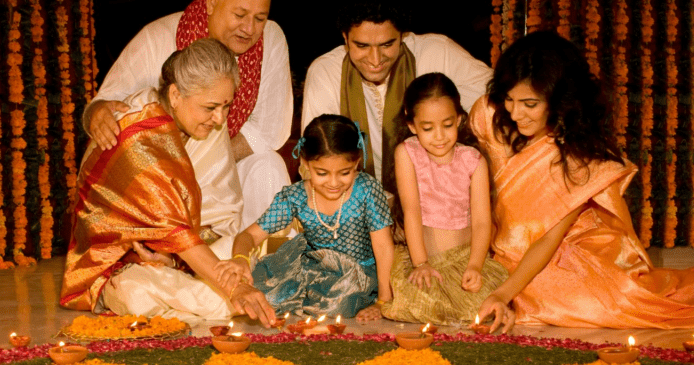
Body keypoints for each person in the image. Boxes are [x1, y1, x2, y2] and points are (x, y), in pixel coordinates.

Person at [471, 30, 694, 332]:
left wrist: (503, 293)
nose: (516, 113)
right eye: (510, 99)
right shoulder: (488, 115)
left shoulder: (579, 155)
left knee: (584, 301)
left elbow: (548, 239)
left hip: (559, 250)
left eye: (530, 104)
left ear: (559, 100)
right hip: (501, 249)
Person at [60, 39, 276, 327]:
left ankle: (209, 297)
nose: (219, 118)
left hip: (179, 255)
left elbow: (220, 216)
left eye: (226, 106)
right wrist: (235, 287)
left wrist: (175, 261)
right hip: (122, 263)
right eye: (211, 107)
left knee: (238, 250)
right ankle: (225, 299)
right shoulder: (139, 140)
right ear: (175, 95)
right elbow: (176, 232)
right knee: (135, 294)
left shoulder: (198, 122)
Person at [84, 0, 292, 229]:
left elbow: (268, 131)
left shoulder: (270, 39)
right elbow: (107, 104)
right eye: (240, 15)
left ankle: (269, 252)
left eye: (260, 18)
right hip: (159, 174)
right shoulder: (157, 38)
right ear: (212, 2)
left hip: (228, 164)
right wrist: (98, 112)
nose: (249, 29)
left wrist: (212, 162)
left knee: (269, 167)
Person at [301, 0, 492, 198]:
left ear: (403, 35)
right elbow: (315, 158)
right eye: (362, 46)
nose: (375, 60)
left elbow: (496, 98)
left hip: (436, 200)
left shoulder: (436, 53)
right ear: (345, 38)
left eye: (387, 45)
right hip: (351, 202)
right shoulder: (326, 72)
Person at [218, 115, 395, 321]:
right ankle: (309, 300)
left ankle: (327, 302)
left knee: (338, 304)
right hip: (314, 270)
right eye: (322, 173)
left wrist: (383, 301)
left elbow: (383, 247)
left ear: (356, 163)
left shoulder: (366, 190)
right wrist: (240, 259)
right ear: (305, 163)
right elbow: (249, 236)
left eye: (345, 173)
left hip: (360, 273)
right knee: (264, 295)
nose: (334, 183)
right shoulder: (295, 197)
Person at [380, 73, 508, 325]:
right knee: (417, 304)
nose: (439, 136)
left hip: (465, 259)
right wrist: (421, 263)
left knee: (480, 308)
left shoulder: (473, 160)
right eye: (428, 128)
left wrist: (475, 266)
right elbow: (412, 210)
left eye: (447, 125)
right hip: (422, 259)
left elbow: (482, 222)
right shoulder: (407, 153)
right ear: (412, 124)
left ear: (459, 119)